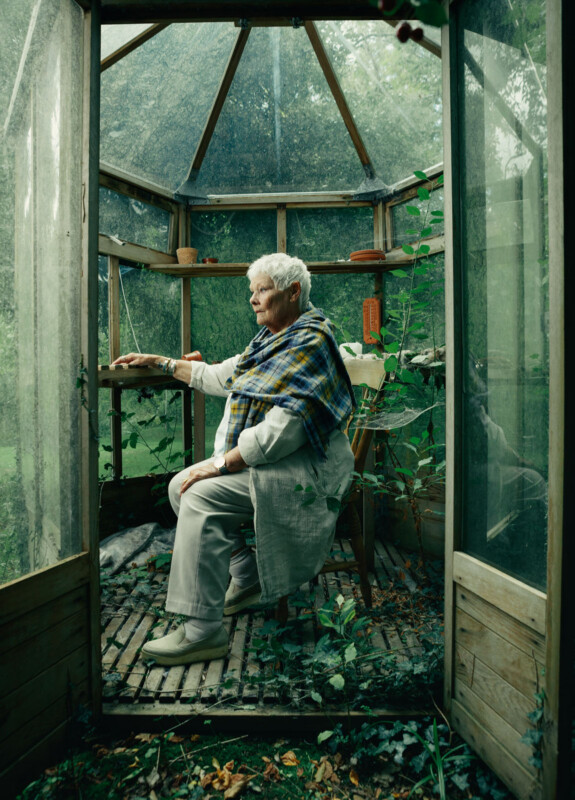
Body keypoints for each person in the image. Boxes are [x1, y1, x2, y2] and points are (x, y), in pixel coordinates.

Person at [112, 253, 356, 666]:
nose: (253, 300)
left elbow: (283, 432)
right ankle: (246, 576)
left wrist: (220, 464)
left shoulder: (310, 341)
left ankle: (202, 631)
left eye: (263, 290)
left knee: (200, 496)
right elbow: (223, 376)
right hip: (278, 463)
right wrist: (161, 361)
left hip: (303, 472)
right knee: (179, 485)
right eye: (252, 291)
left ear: (293, 291)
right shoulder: (273, 340)